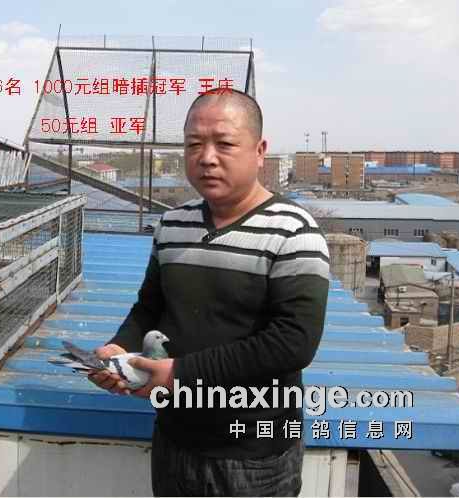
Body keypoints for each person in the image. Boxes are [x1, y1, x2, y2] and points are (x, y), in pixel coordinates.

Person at [89, 88, 329, 496]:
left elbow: (293, 343)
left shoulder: (294, 232)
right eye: (194, 145)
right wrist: (119, 349)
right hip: (174, 439)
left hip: (253, 455)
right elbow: (150, 308)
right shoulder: (172, 224)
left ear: (259, 151)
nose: (207, 157)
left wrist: (180, 374)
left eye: (225, 143)